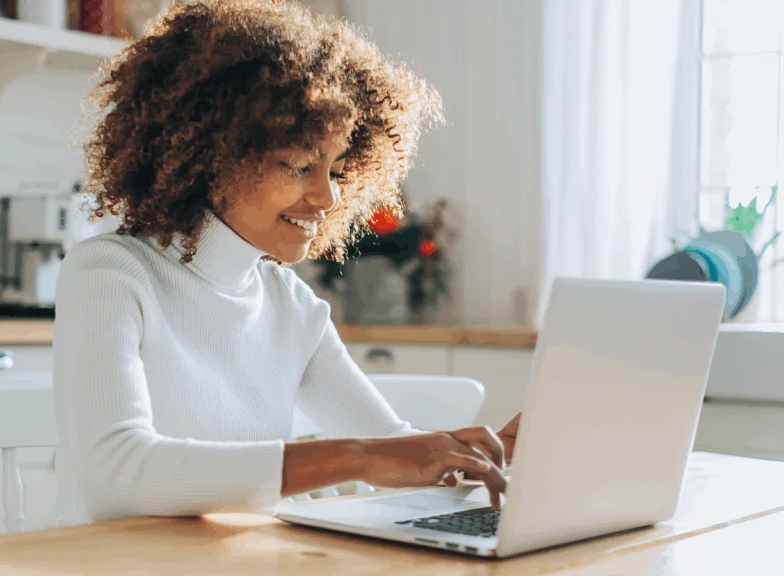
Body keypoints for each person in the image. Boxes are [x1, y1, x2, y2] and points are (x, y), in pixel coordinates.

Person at [51, 0, 521, 525]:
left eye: (338, 170)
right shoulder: (111, 274)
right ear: (210, 156)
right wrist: (356, 456)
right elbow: (115, 477)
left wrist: (483, 453)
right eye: (300, 165)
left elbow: (395, 449)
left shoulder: (290, 303)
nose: (327, 198)